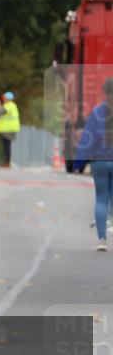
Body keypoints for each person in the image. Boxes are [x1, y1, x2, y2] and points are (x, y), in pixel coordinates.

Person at [74, 77, 113, 251]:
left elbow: (87, 139)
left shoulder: (97, 112)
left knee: (101, 200)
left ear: (105, 92)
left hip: (100, 162)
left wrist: (79, 162)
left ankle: (102, 240)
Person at [0, 91, 20, 167]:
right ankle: (7, 161)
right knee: (7, 145)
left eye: (4, 98)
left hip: (8, 128)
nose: (3, 99)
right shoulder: (11, 105)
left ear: (8, 99)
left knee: (6, 145)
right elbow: (1, 111)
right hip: (10, 128)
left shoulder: (8, 106)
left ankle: (7, 162)